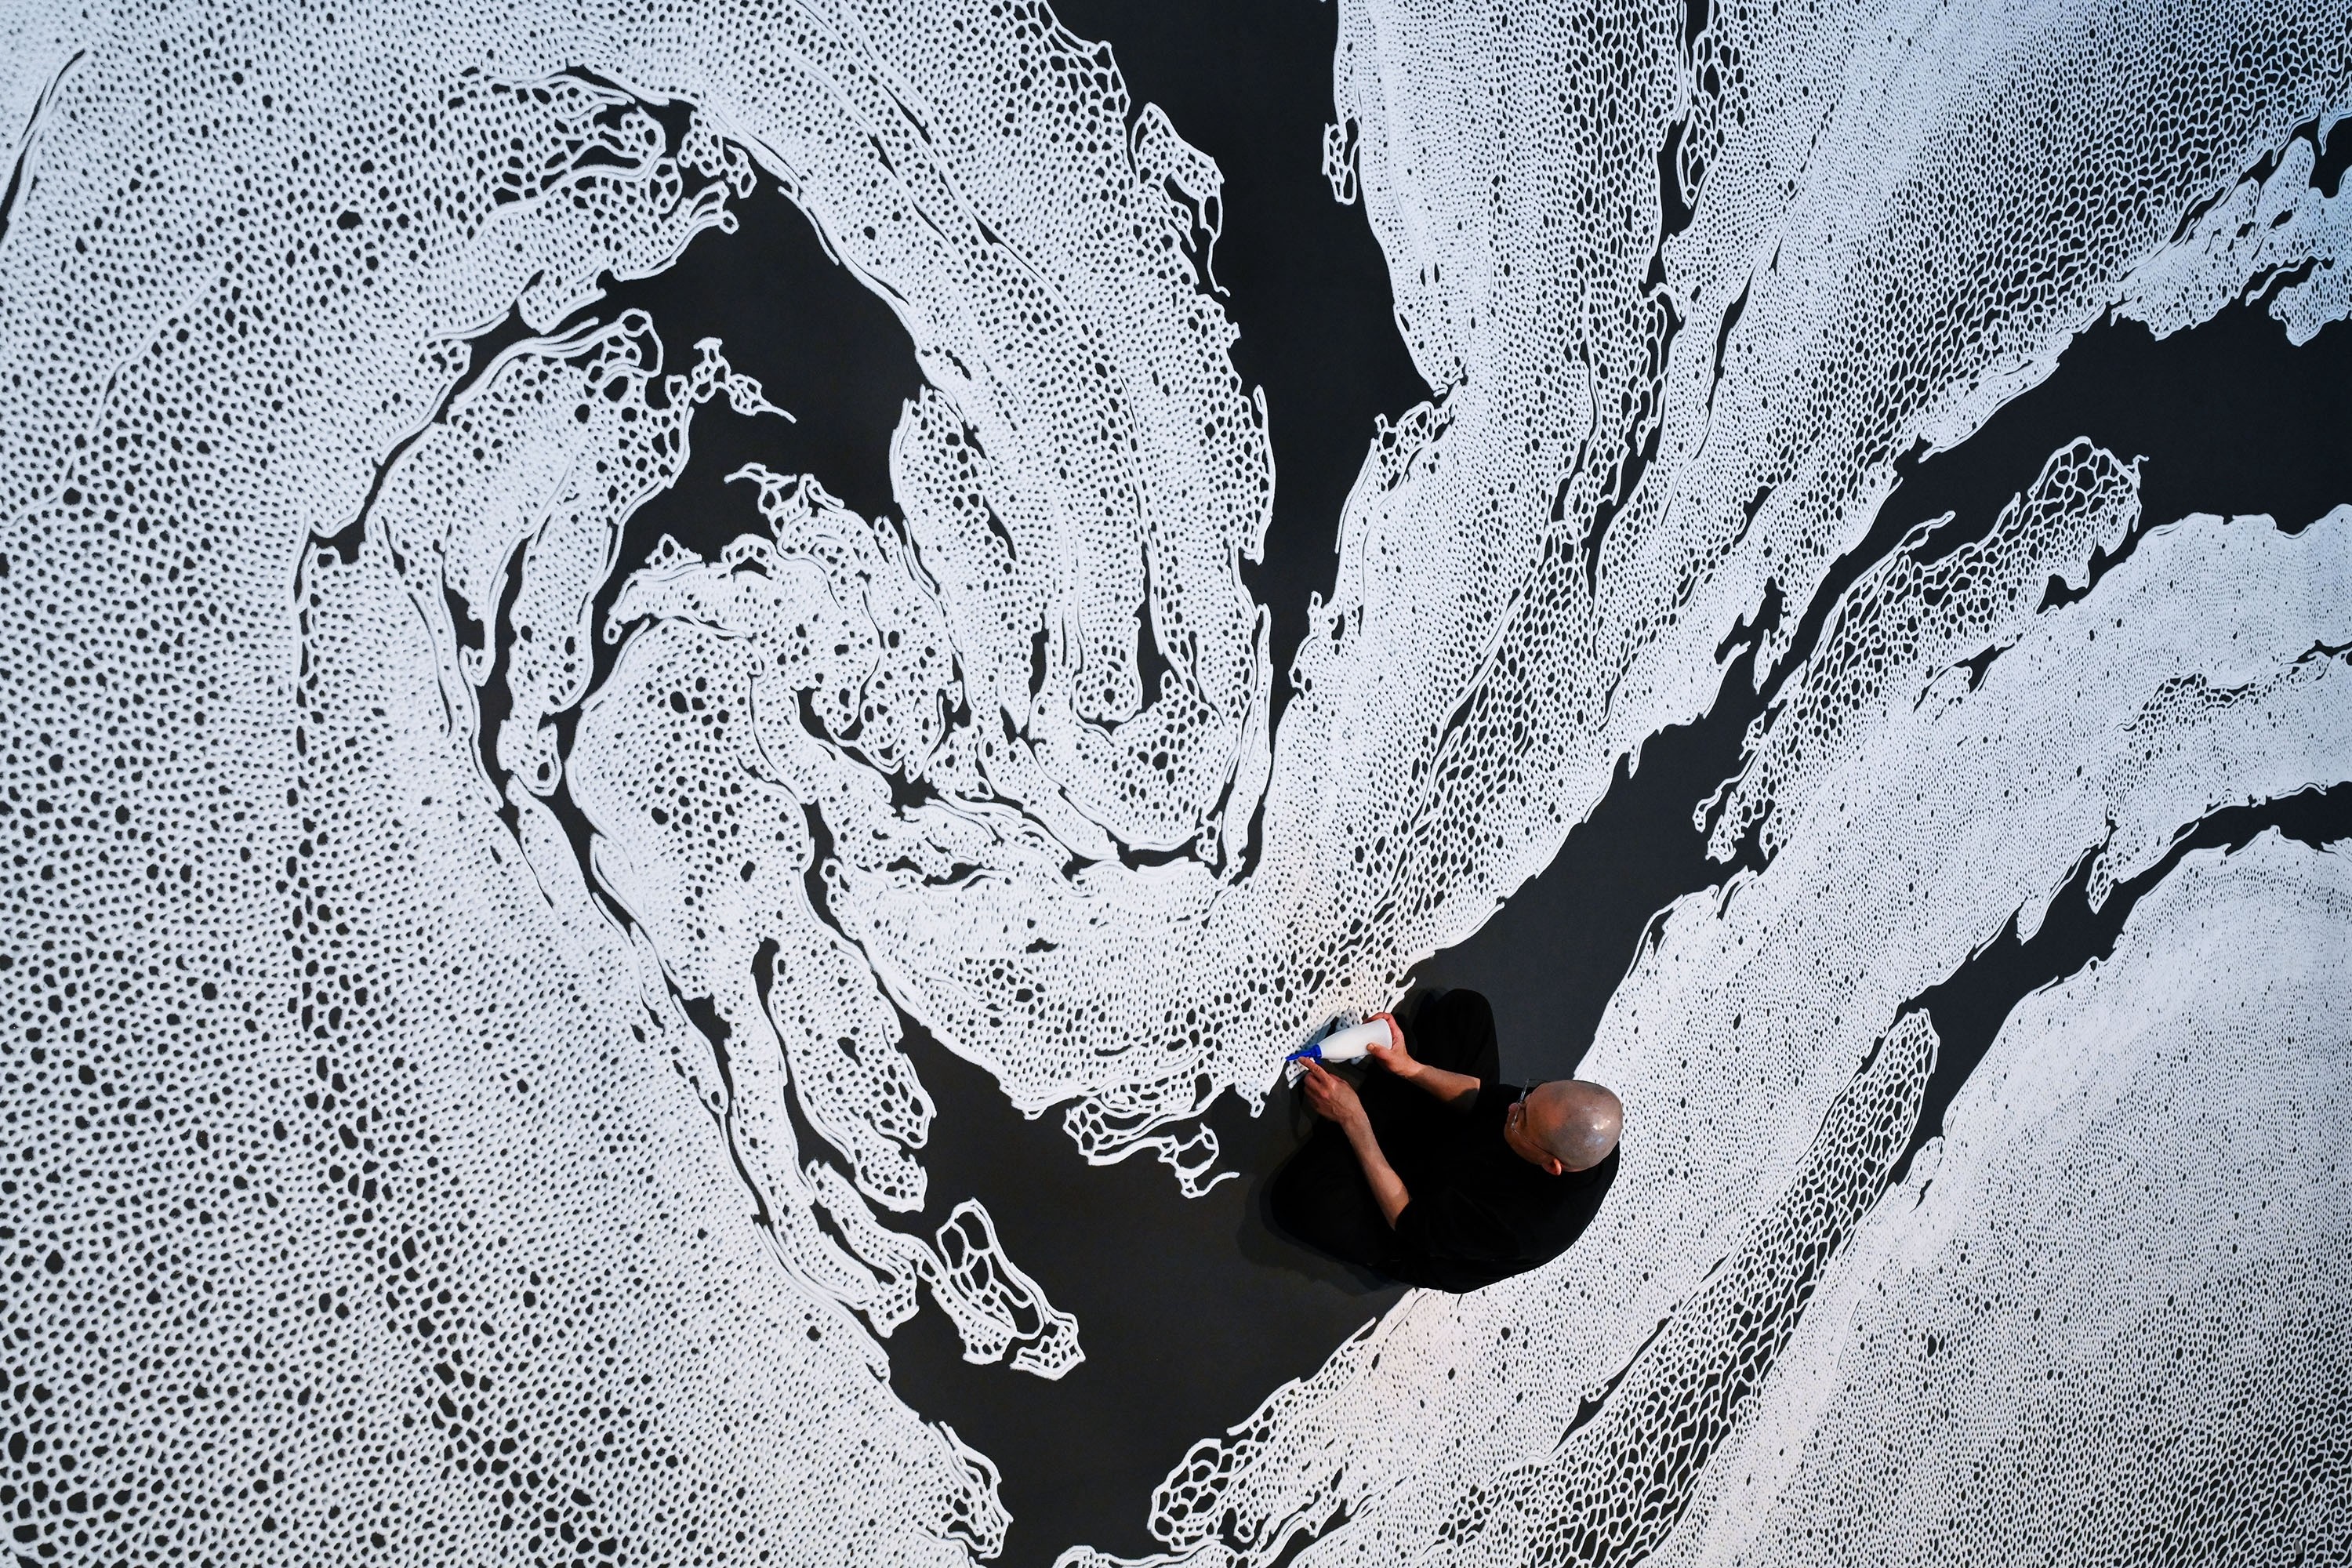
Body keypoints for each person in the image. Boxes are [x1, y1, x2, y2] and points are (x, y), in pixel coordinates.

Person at [1269, 988, 1621, 1292]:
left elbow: (1407, 1218)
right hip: (1459, 1149)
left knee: (1303, 1199)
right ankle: (1384, 1105)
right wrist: (1409, 1068)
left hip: (1418, 1223)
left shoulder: (1524, 1226)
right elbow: (1487, 1099)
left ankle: (1370, 1119)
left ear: (1552, 1166)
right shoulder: (1579, 1125)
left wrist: (1353, 1119)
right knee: (1467, 1013)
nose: (1514, 1107)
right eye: (1529, 1096)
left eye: (1522, 1120)